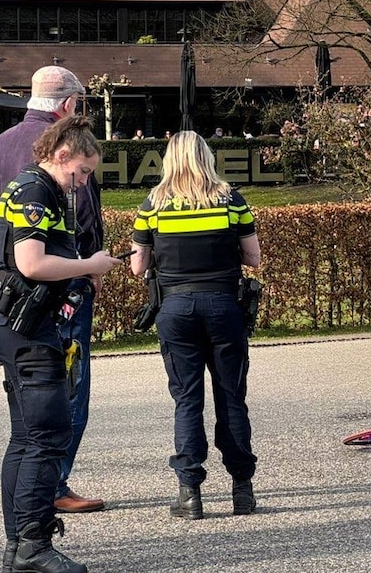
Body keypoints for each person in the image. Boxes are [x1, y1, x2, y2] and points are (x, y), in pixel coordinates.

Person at [0, 115, 122, 573]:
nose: (83, 182)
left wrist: (85, 265)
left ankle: (17, 547)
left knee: (26, 437)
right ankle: (33, 546)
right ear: (62, 155)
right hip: (26, 325)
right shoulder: (37, 188)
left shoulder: (34, 187)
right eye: (81, 171)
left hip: (17, 320)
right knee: (49, 435)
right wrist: (88, 265)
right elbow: (33, 264)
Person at [130, 131, 262, 520]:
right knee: (231, 397)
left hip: (175, 308)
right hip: (224, 305)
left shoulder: (153, 203)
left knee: (187, 399)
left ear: (169, 160)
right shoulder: (231, 199)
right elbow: (253, 258)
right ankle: (242, 490)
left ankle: (190, 494)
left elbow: (139, 266)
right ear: (206, 157)